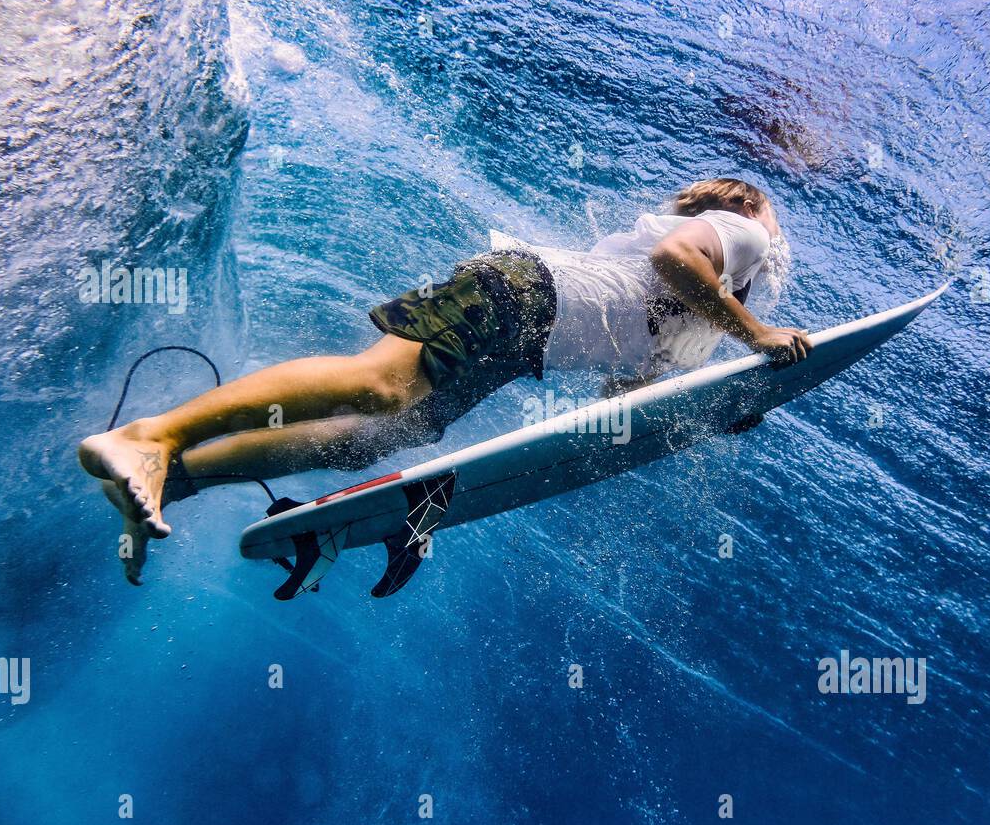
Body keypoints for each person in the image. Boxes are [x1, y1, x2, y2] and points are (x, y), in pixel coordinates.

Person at [78, 177, 812, 583]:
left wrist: (718, 404)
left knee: (377, 437)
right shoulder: (740, 233)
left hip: (525, 342)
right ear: (750, 211)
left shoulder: (700, 325)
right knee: (379, 387)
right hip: (524, 291)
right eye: (779, 225)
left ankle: (178, 476)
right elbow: (676, 258)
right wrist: (760, 334)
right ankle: (152, 434)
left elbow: (626, 398)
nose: (780, 247)